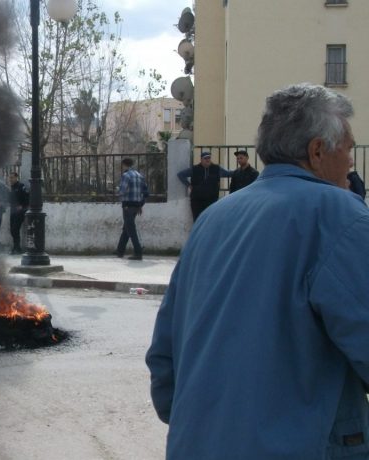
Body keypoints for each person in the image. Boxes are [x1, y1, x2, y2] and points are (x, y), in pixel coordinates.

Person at [146, 83, 369, 459]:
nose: (351, 162)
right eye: (348, 148)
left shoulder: (213, 220)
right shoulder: (341, 215)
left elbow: (164, 361)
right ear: (317, 151)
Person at [176, 151, 232, 221]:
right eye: (205, 158)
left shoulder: (216, 169)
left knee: (210, 220)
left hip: (211, 200)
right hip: (197, 200)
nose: (208, 160)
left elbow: (229, 174)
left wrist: (239, 171)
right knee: (197, 220)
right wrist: (188, 185)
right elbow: (180, 175)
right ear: (201, 159)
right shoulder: (194, 169)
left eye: (209, 158)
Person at [115, 158, 149, 260]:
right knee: (127, 228)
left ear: (124, 165)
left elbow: (122, 191)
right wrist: (140, 205)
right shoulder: (140, 175)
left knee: (131, 229)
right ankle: (120, 251)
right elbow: (146, 192)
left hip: (127, 206)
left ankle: (138, 252)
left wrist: (117, 189)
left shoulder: (126, 175)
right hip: (136, 206)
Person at [8, 171, 29, 255]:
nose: (11, 179)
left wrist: (22, 206)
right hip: (12, 211)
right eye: (10, 178)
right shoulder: (11, 187)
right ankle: (16, 247)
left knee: (15, 229)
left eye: (12, 177)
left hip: (20, 212)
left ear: (17, 177)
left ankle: (17, 248)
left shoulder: (21, 186)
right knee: (12, 230)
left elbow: (27, 199)